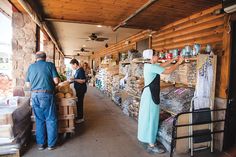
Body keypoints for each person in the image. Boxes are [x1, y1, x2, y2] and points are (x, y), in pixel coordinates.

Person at [138, 49, 184, 154]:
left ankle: (147, 138)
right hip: (150, 95)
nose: (158, 57)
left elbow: (162, 65)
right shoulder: (151, 67)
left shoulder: (149, 65)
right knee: (151, 118)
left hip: (148, 94)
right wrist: (178, 63)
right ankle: (152, 144)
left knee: (148, 117)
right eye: (156, 55)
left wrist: (172, 59)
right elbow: (168, 71)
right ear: (151, 57)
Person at [25, 51, 59, 151]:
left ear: (36, 58)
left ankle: (41, 144)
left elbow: (27, 84)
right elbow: (56, 81)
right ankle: (51, 145)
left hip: (34, 95)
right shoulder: (50, 65)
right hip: (47, 95)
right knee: (51, 119)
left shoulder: (31, 67)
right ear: (45, 58)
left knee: (39, 119)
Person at [70, 59, 87, 123]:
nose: (72, 67)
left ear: (75, 64)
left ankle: (81, 118)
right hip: (78, 89)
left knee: (80, 103)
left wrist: (74, 79)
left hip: (81, 89)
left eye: (72, 65)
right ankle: (79, 116)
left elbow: (83, 81)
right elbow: (76, 79)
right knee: (78, 103)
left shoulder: (81, 70)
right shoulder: (77, 70)